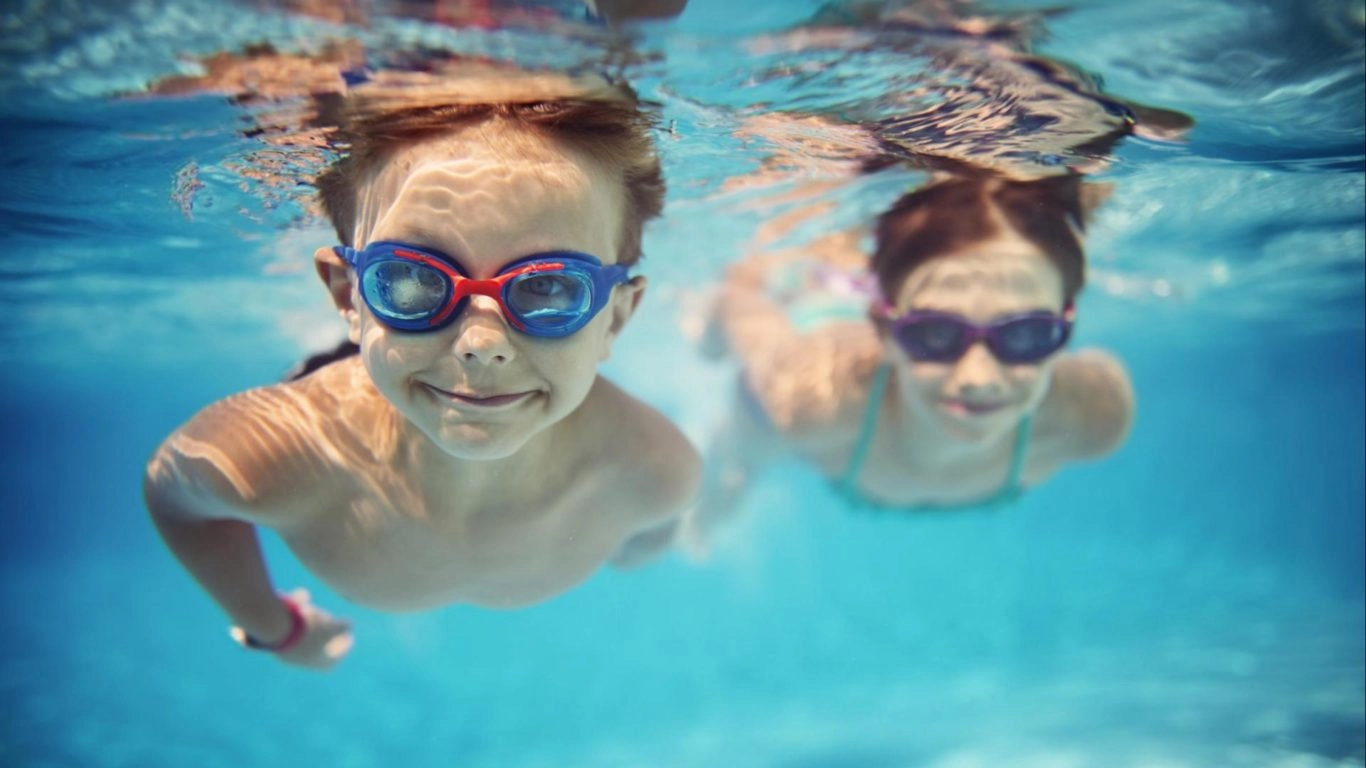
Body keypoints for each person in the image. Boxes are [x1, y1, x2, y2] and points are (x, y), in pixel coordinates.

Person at [143, 63, 700, 669]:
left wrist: (639, 540)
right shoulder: (276, 455)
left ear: (615, 320)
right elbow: (174, 498)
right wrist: (274, 628)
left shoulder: (653, 472)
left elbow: (653, 533)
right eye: (410, 278)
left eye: (548, 290)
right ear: (346, 297)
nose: (481, 343)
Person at [685, 174, 1132, 550]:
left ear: (1065, 326)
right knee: (736, 471)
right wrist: (710, 343)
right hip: (820, 317)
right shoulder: (809, 397)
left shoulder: (1093, 416)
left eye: (1026, 333)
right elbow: (736, 300)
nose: (978, 378)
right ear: (884, 330)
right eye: (935, 334)